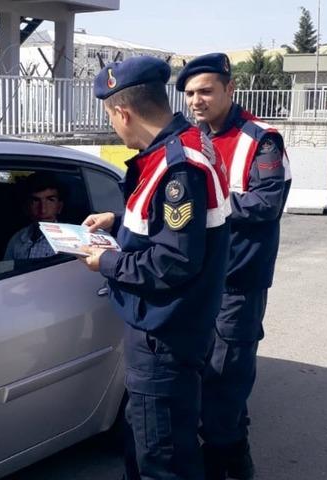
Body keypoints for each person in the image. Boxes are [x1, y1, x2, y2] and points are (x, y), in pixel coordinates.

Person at [80, 56, 230, 480]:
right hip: (178, 329)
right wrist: (116, 220)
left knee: (162, 460)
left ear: (122, 112)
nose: (115, 127)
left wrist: (106, 260)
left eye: (112, 118)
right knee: (152, 443)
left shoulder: (177, 166)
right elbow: (166, 222)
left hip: (163, 336)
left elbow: (174, 260)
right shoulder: (186, 146)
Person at [176, 53, 292, 480]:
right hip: (195, 279)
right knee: (196, 368)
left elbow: (266, 203)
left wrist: (205, 203)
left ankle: (230, 458)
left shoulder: (261, 139)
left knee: (227, 372)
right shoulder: (190, 137)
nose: (196, 101)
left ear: (230, 89)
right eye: (189, 93)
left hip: (238, 281)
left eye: (206, 91)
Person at [4, 172, 65, 260]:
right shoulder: (17, 239)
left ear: (59, 207)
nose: (43, 209)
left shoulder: (68, 241)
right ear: (26, 207)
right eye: (35, 201)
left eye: (50, 200)